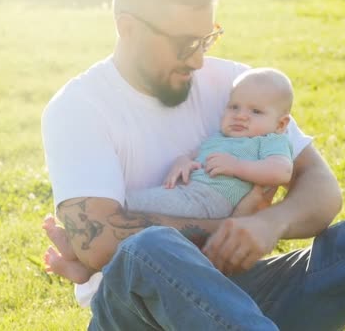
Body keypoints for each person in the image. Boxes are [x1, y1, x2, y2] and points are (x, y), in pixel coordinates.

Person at [41, 0, 345, 329]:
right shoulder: (79, 108)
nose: (198, 59)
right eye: (184, 43)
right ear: (128, 28)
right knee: (149, 247)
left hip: (246, 300)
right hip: (143, 316)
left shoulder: (234, 84)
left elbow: (320, 187)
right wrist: (232, 229)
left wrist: (268, 223)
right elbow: (100, 241)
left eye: (206, 39)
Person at [43, 67, 296, 284]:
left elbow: (282, 171)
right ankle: (80, 264)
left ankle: (80, 244)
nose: (241, 115)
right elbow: (191, 155)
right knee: (132, 227)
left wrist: (238, 166)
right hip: (189, 195)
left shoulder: (270, 141)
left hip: (211, 203)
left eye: (255, 112)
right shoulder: (221, 138)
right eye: (234, 107)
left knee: (122, 207)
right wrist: (181, 164)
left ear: (281, 123)